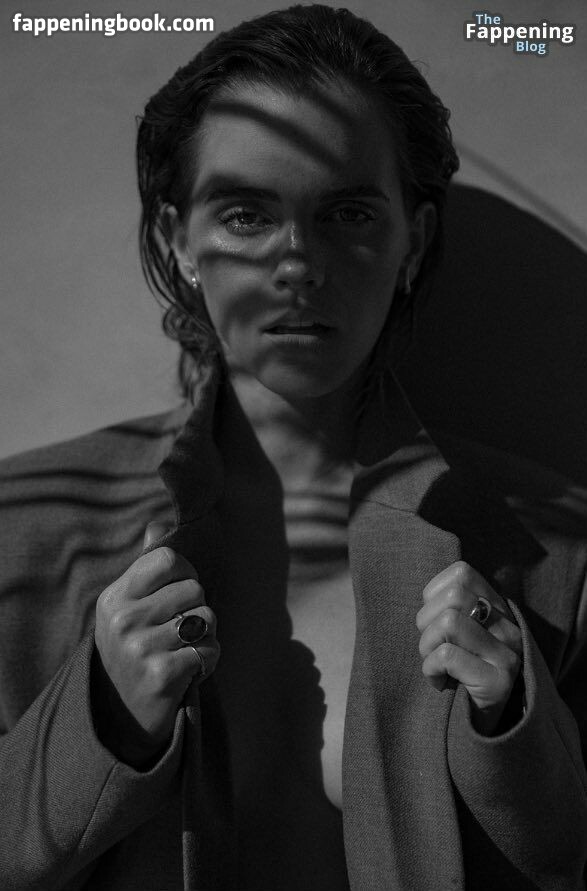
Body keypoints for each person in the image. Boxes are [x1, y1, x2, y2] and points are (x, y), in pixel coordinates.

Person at [0, 5, 585, 890]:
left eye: (346, 212)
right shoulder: (25, 538)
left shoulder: (551, 560)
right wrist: (101, 720)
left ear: (413, 241)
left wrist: (511, 723)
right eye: (245, 214)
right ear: (178, 241)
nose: (297, 262)